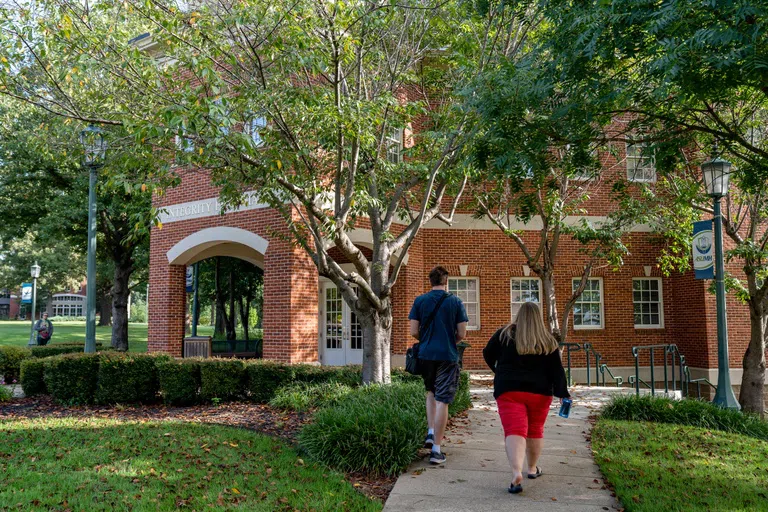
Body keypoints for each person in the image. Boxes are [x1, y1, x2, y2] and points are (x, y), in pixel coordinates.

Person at [482, 302, 570, 494]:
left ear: (519, 315)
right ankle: (532, 469)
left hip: (509, 390)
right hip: (540, 392)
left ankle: (516, 473)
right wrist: (563, 393)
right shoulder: (548, 340)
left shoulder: (504, 334)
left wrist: (498, 371)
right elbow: (557, 371)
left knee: (515, 430)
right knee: (535, 430)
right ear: (538, 318)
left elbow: (487, 353)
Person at [409, 266, 468, 465]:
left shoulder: (420, 301)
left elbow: (413, 331)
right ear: (446, 281)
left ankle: (430, 432)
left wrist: (426, 339)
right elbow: (462, 334)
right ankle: (436, 449)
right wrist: (449, 340)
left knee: (431, 393)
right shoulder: (455, 301)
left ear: (430, 281)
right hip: (447, 355)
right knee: (443, 400)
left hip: (425, 354)